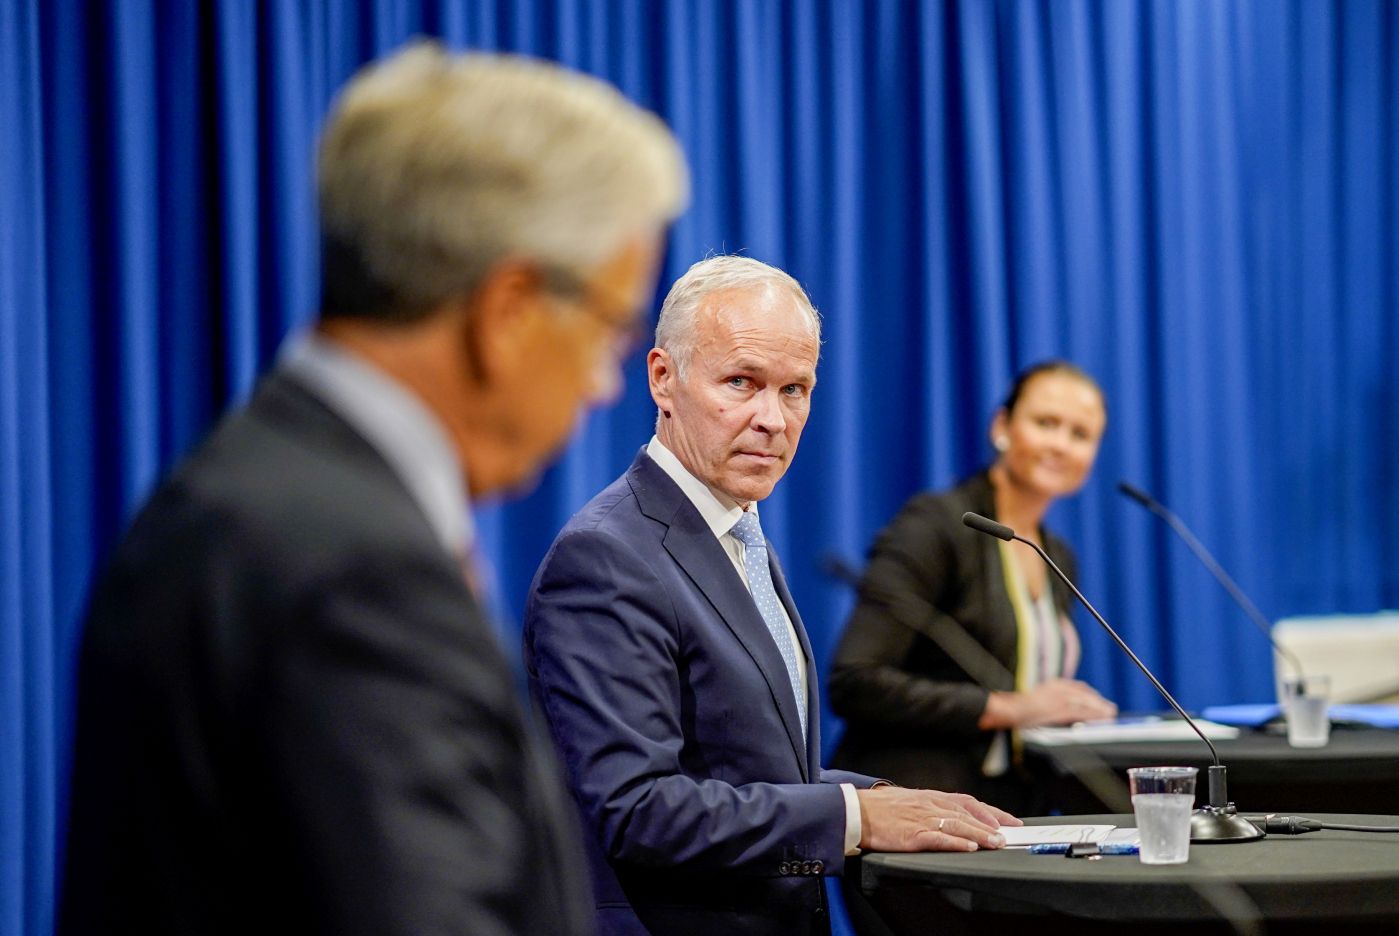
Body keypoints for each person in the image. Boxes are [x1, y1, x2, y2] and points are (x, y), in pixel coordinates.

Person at [59, 43, 688, 936]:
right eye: (608, 333)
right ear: (507, 312)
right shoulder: (355, 575)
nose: (602, 386)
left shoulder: (247, 494)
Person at [523, 256, 1019, 936]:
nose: (771, 419)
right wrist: (855, 818)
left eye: (794, 389)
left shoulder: (734, 527)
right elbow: (637, 810)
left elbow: (752, 764)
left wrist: (885, 798)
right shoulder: (607, 556)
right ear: (662, 378)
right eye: (741, 382)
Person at [828, 361, 1117, 813]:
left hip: (1012, 806)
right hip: (916, 804)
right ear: (1002, 426)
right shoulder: (934, 527)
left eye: (1080, 434)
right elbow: (856, 682)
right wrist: (1009, 708)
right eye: (1046, 423)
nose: (1061, 444)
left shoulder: (1057, 555)